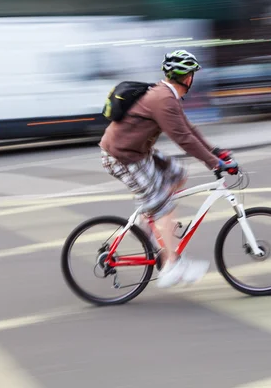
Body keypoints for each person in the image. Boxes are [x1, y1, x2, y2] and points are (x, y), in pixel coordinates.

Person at [98, 50, 239, 289]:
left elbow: (188, 129)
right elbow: (183, 139)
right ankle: (171, 266)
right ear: (187, 78)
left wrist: (216, 152)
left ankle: (152, 221)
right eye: (192, 74)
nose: (193, 78)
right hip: (121, 157)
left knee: (177, 174)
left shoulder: (166, 96)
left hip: (138, 153)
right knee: (164, 205)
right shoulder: (163, 99)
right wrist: (215, 164)